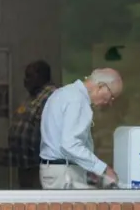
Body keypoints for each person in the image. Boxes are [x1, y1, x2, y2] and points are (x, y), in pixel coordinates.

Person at [39, 68, 122, 189]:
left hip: (57, 170)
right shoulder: (77, 100)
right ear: (101, 86)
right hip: (65, 172)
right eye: (111, 96)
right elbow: (70, 144)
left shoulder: (64, 93)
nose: (109, 102)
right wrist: (103, 169)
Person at [8, 60, 57, 189]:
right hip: (25, 166)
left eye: (29, 76)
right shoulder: (33, 97)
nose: (25, 80)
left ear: (41, 76)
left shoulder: (52, 97)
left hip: (39, 168)